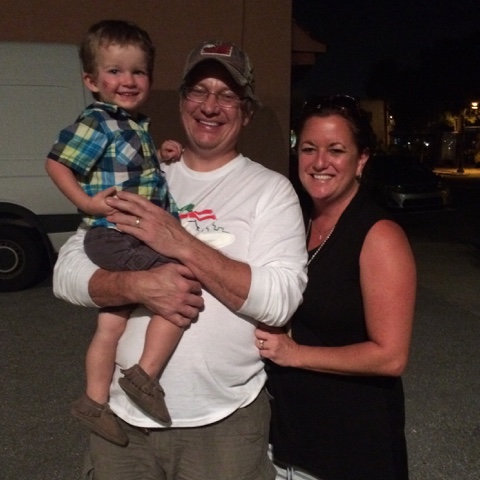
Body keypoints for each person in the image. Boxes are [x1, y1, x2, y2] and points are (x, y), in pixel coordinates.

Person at [53, 40, 308, 479]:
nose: (210, 106)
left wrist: (183, 243)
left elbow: (280, 301)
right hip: (122, 423)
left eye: (227, 95)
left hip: (222, 423)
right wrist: (136, 286)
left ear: (246, 111)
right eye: (199, 91)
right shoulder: (143, 174)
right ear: (182, 100)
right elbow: (68, 271)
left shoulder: (270, 190)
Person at [255, 95, 416, 480]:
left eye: (336, 150)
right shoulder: (295, 221)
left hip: (351, 448)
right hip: (288, 442)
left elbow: (390, 356)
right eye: (308, 148)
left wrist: (295, 354)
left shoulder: (379, 235)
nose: (320, 162)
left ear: (361, 159)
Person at [45, 20, 185, 446]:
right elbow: (57, 162)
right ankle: (144, 376)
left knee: (111, 322)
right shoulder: (99, 121)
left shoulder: (132, 124)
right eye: (115, 71)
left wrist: (160, 152)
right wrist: (87, 204)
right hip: (116, 233)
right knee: (179, 281)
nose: (128, 80)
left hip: (125, 233)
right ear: (91, 81)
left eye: (138, 71)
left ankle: (93, 401)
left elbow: (133, 169)